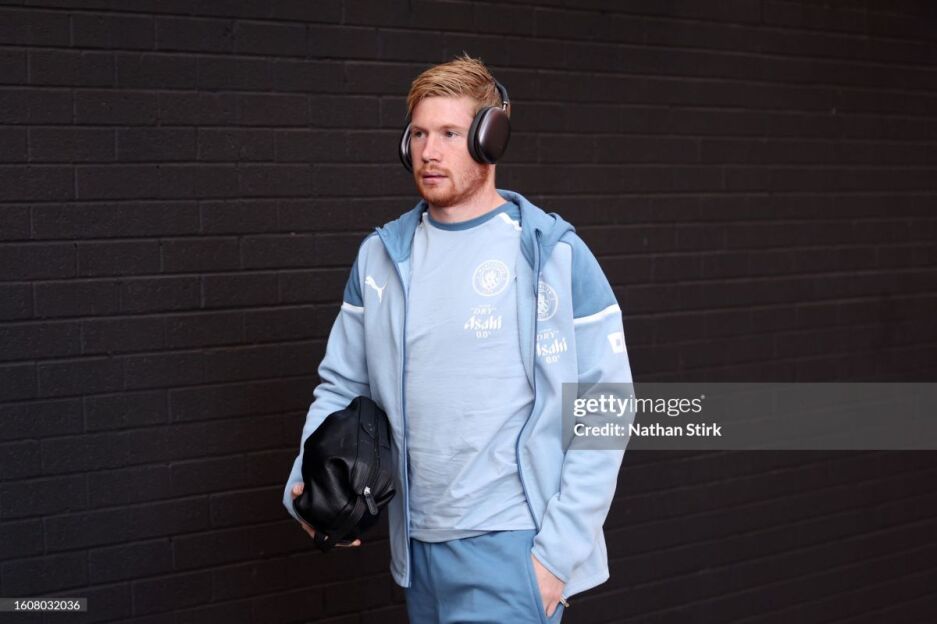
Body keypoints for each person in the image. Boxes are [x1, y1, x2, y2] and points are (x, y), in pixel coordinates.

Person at [283, 53, 635, 624]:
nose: (429, 151)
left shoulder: (552, 254)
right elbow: (341, 386)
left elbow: (607, 404)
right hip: (417, 552)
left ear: (489, 138)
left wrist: (555, 558)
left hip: (513, 548)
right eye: (419, 134)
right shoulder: (381, 257)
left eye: (449, 133)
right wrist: (308, 482)